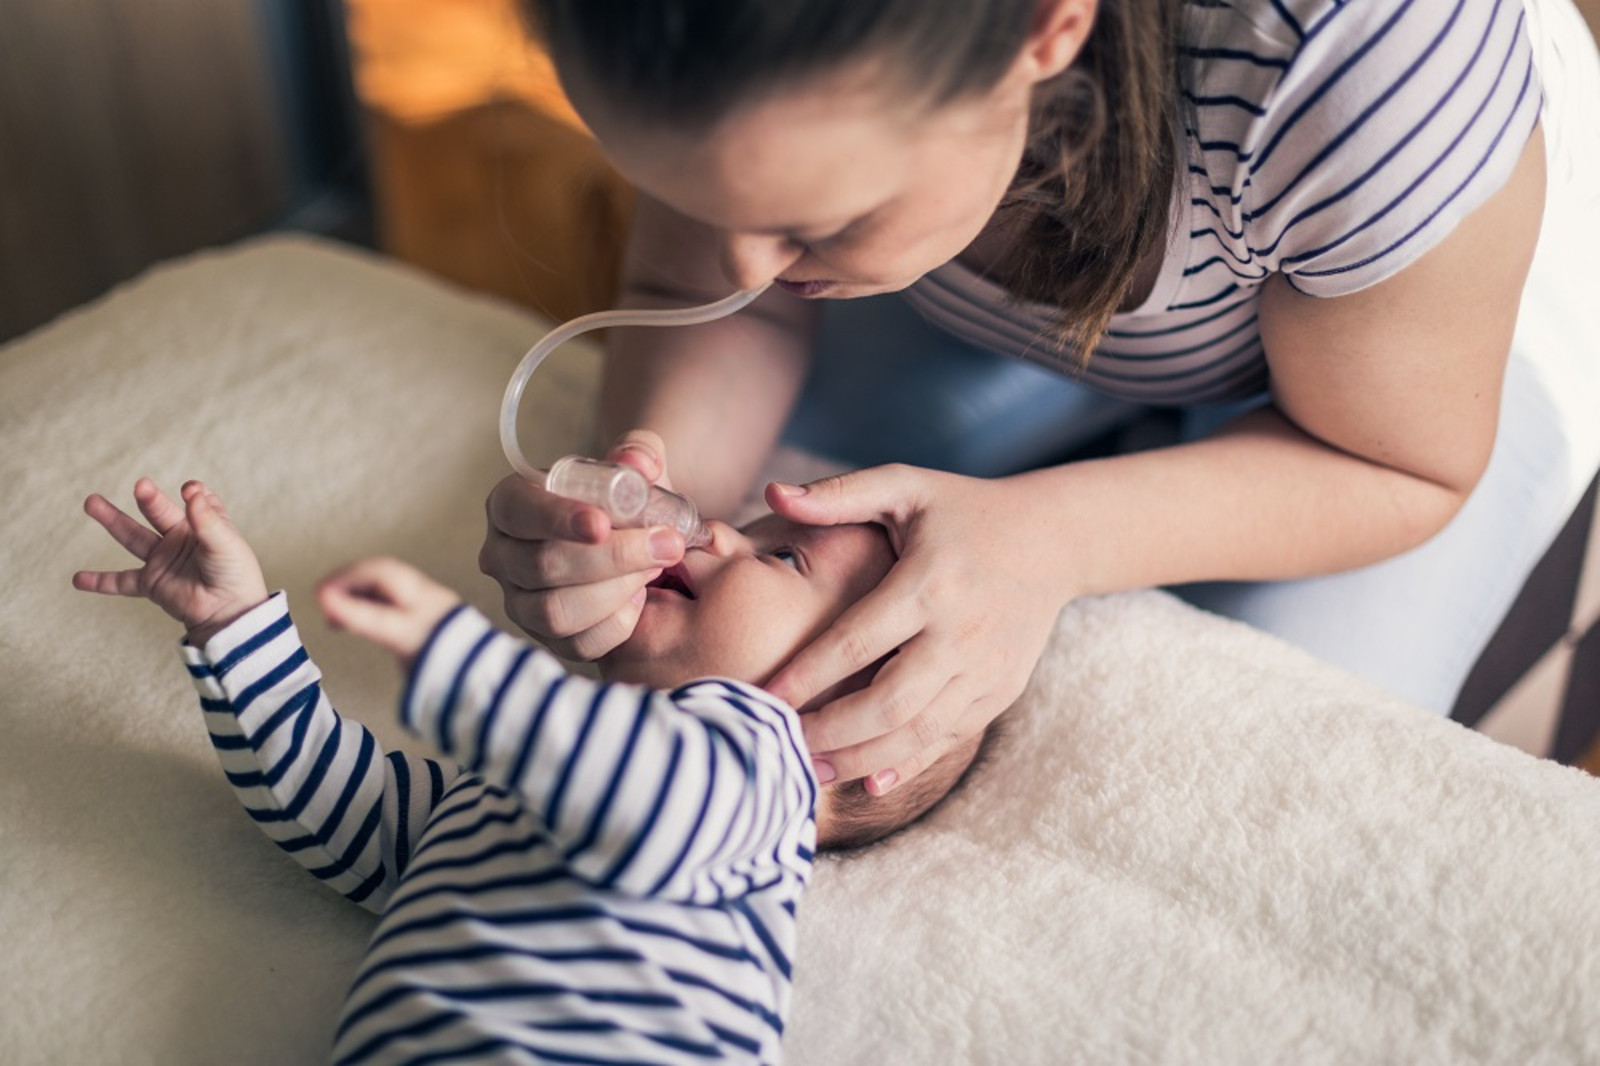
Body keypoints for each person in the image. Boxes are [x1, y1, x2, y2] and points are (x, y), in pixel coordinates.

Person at [479, 0, 1600, 795]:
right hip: (1050, 256)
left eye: (814, 223)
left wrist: (1045, 537)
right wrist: (644, 516)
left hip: (1399, 366)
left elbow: (1398, 462)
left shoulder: (1364, 56)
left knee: (1259, 773)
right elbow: (715, 295)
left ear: (1046, 29)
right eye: (684, 190)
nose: (743, 269)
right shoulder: (731, 49)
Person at [73, 476, 990, 1065]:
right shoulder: (532, 768)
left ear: (867, 719)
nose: (716, 531)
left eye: (781, 557)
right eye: (749, 528)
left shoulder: (761, 765)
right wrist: (235, 632)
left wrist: (461, 660)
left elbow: (640, 795)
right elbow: (349, 820)